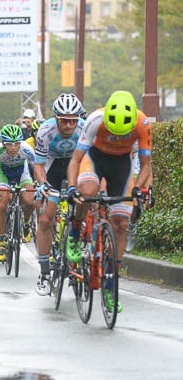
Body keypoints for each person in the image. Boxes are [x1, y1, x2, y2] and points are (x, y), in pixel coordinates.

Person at [66, 91, 152, 313]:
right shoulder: (95, 119)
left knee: (121, 223)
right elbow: (76, 160)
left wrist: (137, 188)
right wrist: (72, 187)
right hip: (95, 159)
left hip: (122, 165)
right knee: (87, 192)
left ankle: (111, 284)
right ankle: (75, 231)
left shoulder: (142, 123)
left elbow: (145, 166)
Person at [33, 93, 85, 295]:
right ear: (56, 118)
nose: (69, 125)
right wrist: (43, 184)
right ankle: (45, 271)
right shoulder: (45, 131)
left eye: (74, 120)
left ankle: (84, 248)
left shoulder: (84, 127)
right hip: (52, 166)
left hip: (76, 164)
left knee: (89, 203)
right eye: (65, 120)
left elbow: (90, 160)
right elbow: (39, 166)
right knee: (46, 219)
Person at [0, 124, 35, 263]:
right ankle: (2, 242)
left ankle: (26, 222)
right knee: (1, 204)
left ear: (20, 143)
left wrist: (38, 185)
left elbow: (38, 168)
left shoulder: (27, 150)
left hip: (21, 173)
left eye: (16, 144)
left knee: (29, 201)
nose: (13, 148)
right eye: (9, 144)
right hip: (3, 173)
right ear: (3, 143)